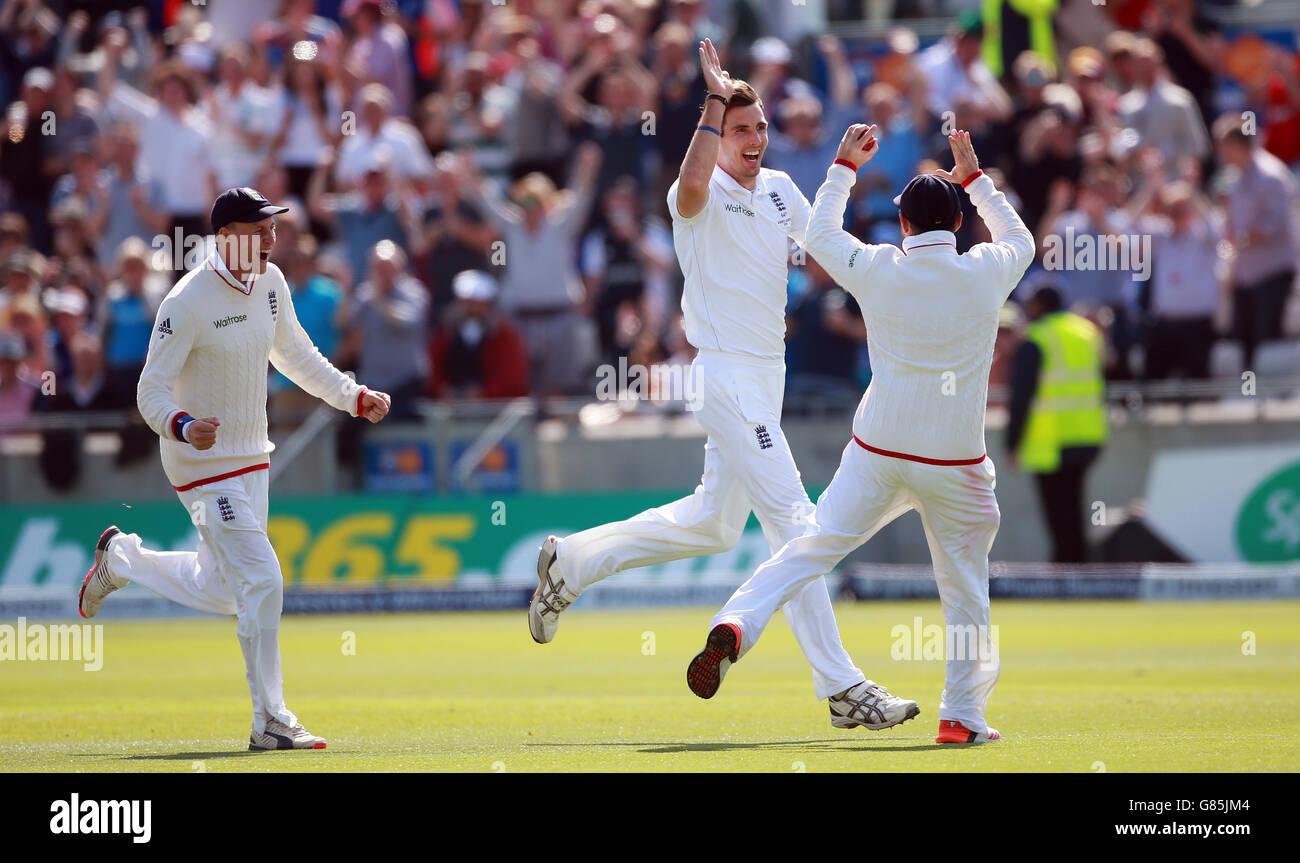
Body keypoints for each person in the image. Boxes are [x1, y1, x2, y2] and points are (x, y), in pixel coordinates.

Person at [528, 40, 898, 731]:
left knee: (714, 522)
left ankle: (570, 562)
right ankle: (843, 686)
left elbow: (823, 244)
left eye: (758, 127)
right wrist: (711, 98)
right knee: (797, 519)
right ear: (717, 135)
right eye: (739, 129)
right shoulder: (693, 189)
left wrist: (845, 173)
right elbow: (693, 185)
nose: (753, 140)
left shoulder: (783, 188)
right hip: (724, 374)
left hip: (769, 373)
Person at [691, 127, 1034, 745]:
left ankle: (738, 622)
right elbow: (1020, 238)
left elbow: (819, 236)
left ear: (901, 224)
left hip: (879, 448)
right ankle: (960, 718)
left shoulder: (879, 267)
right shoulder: (986, 270)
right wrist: (977, 178)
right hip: (955, 460)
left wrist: (843, 167)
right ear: (957, 224)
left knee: (812, 546)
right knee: (964, 590)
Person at [76, 187, 392, 752]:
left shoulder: (270, 284)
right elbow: (150, 392)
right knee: (264, 580)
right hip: (199, 463)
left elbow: (295, 355)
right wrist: (181, 424)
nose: (274, 239)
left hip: (252, 456)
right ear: (227, 237)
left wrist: (353, 395)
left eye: (274, 229)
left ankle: (122, 559)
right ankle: (270, 720)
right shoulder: (186, 301)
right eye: (261, 230)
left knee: (226, 589)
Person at [1007, 284, 1107, 564]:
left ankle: (1066, 569)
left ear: (1039, 305)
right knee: (1074, 507)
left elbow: (1022, 397)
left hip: (1052, 440)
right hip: (1088, 436)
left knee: (1057, 512)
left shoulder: (1037, 338)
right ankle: (1078, 564)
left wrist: (1012, 442)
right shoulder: (1087, 332)